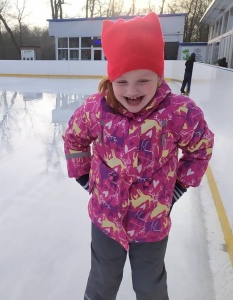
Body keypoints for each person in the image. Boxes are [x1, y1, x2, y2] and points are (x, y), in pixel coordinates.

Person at [63, 12, 214, 300]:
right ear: (110, 80)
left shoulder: (179, 113)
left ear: (159, 75)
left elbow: (201, 147)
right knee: (102, 281)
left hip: (152, 220)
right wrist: (85, 178)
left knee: (150, 285)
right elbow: (74, 138)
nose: (132, 91)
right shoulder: (96, 109)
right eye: (121, 82)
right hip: (106, 217)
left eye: (143, 80)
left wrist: (178, 188)